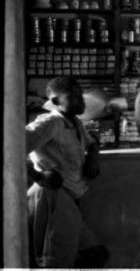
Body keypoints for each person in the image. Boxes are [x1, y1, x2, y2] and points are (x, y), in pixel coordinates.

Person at [25, 77, 109, 268]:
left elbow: (91, 142)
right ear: (55, 101)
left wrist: (93, 158)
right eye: (75, 97)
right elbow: (12, 146)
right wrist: (39, 176)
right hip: (53, 198)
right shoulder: (49, 123)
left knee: (97, 254)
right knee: (57, 263)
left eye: (81, 95)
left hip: (71, 202)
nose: (82, 101)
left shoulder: (74, 123)